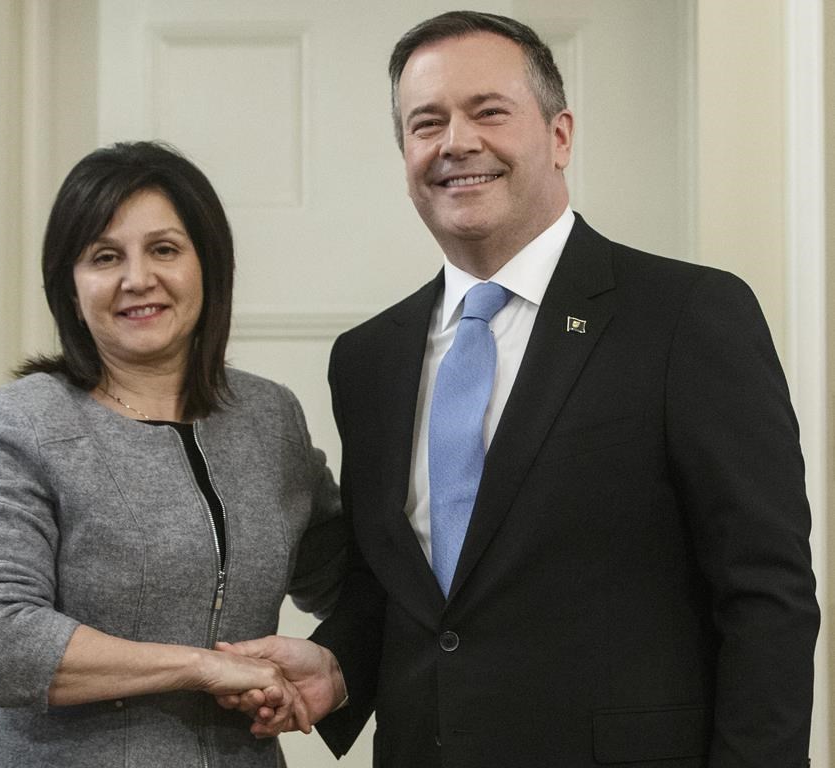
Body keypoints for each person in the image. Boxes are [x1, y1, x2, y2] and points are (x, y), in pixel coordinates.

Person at [216, 11, 820, 767]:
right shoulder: (368, 360)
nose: (456, 142)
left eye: (489, 111)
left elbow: (766, 594)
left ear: (560, 136)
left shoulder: (686, 316)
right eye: (426, 123)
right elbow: (403, 587)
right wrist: (338, 667)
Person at [0, 141, 347, 767]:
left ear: (208, 265)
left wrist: (332, 663)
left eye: (164, 249)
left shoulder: (270, 419)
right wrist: (198, 667)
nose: (137, 279)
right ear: (70, 288)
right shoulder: (21, 423)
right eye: (105, 257)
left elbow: (355, 582)